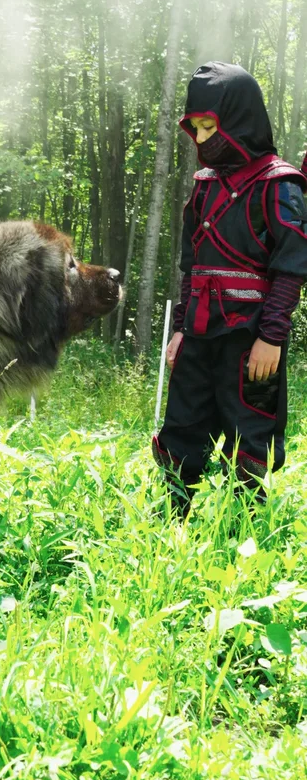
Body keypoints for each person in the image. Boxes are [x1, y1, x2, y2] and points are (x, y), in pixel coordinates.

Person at [152, 62, 307, 516]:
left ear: (238, 120)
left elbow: (292, 266)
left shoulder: (280, 185)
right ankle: (171, 523)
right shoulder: (203, 187)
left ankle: (245, 531)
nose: (201, 140)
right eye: (195, 128)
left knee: (250, 432)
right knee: (182, 426)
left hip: (252, 339)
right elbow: (190, 266)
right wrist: (180, 329)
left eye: (209, 127)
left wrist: (272, 337)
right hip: (198, 334)